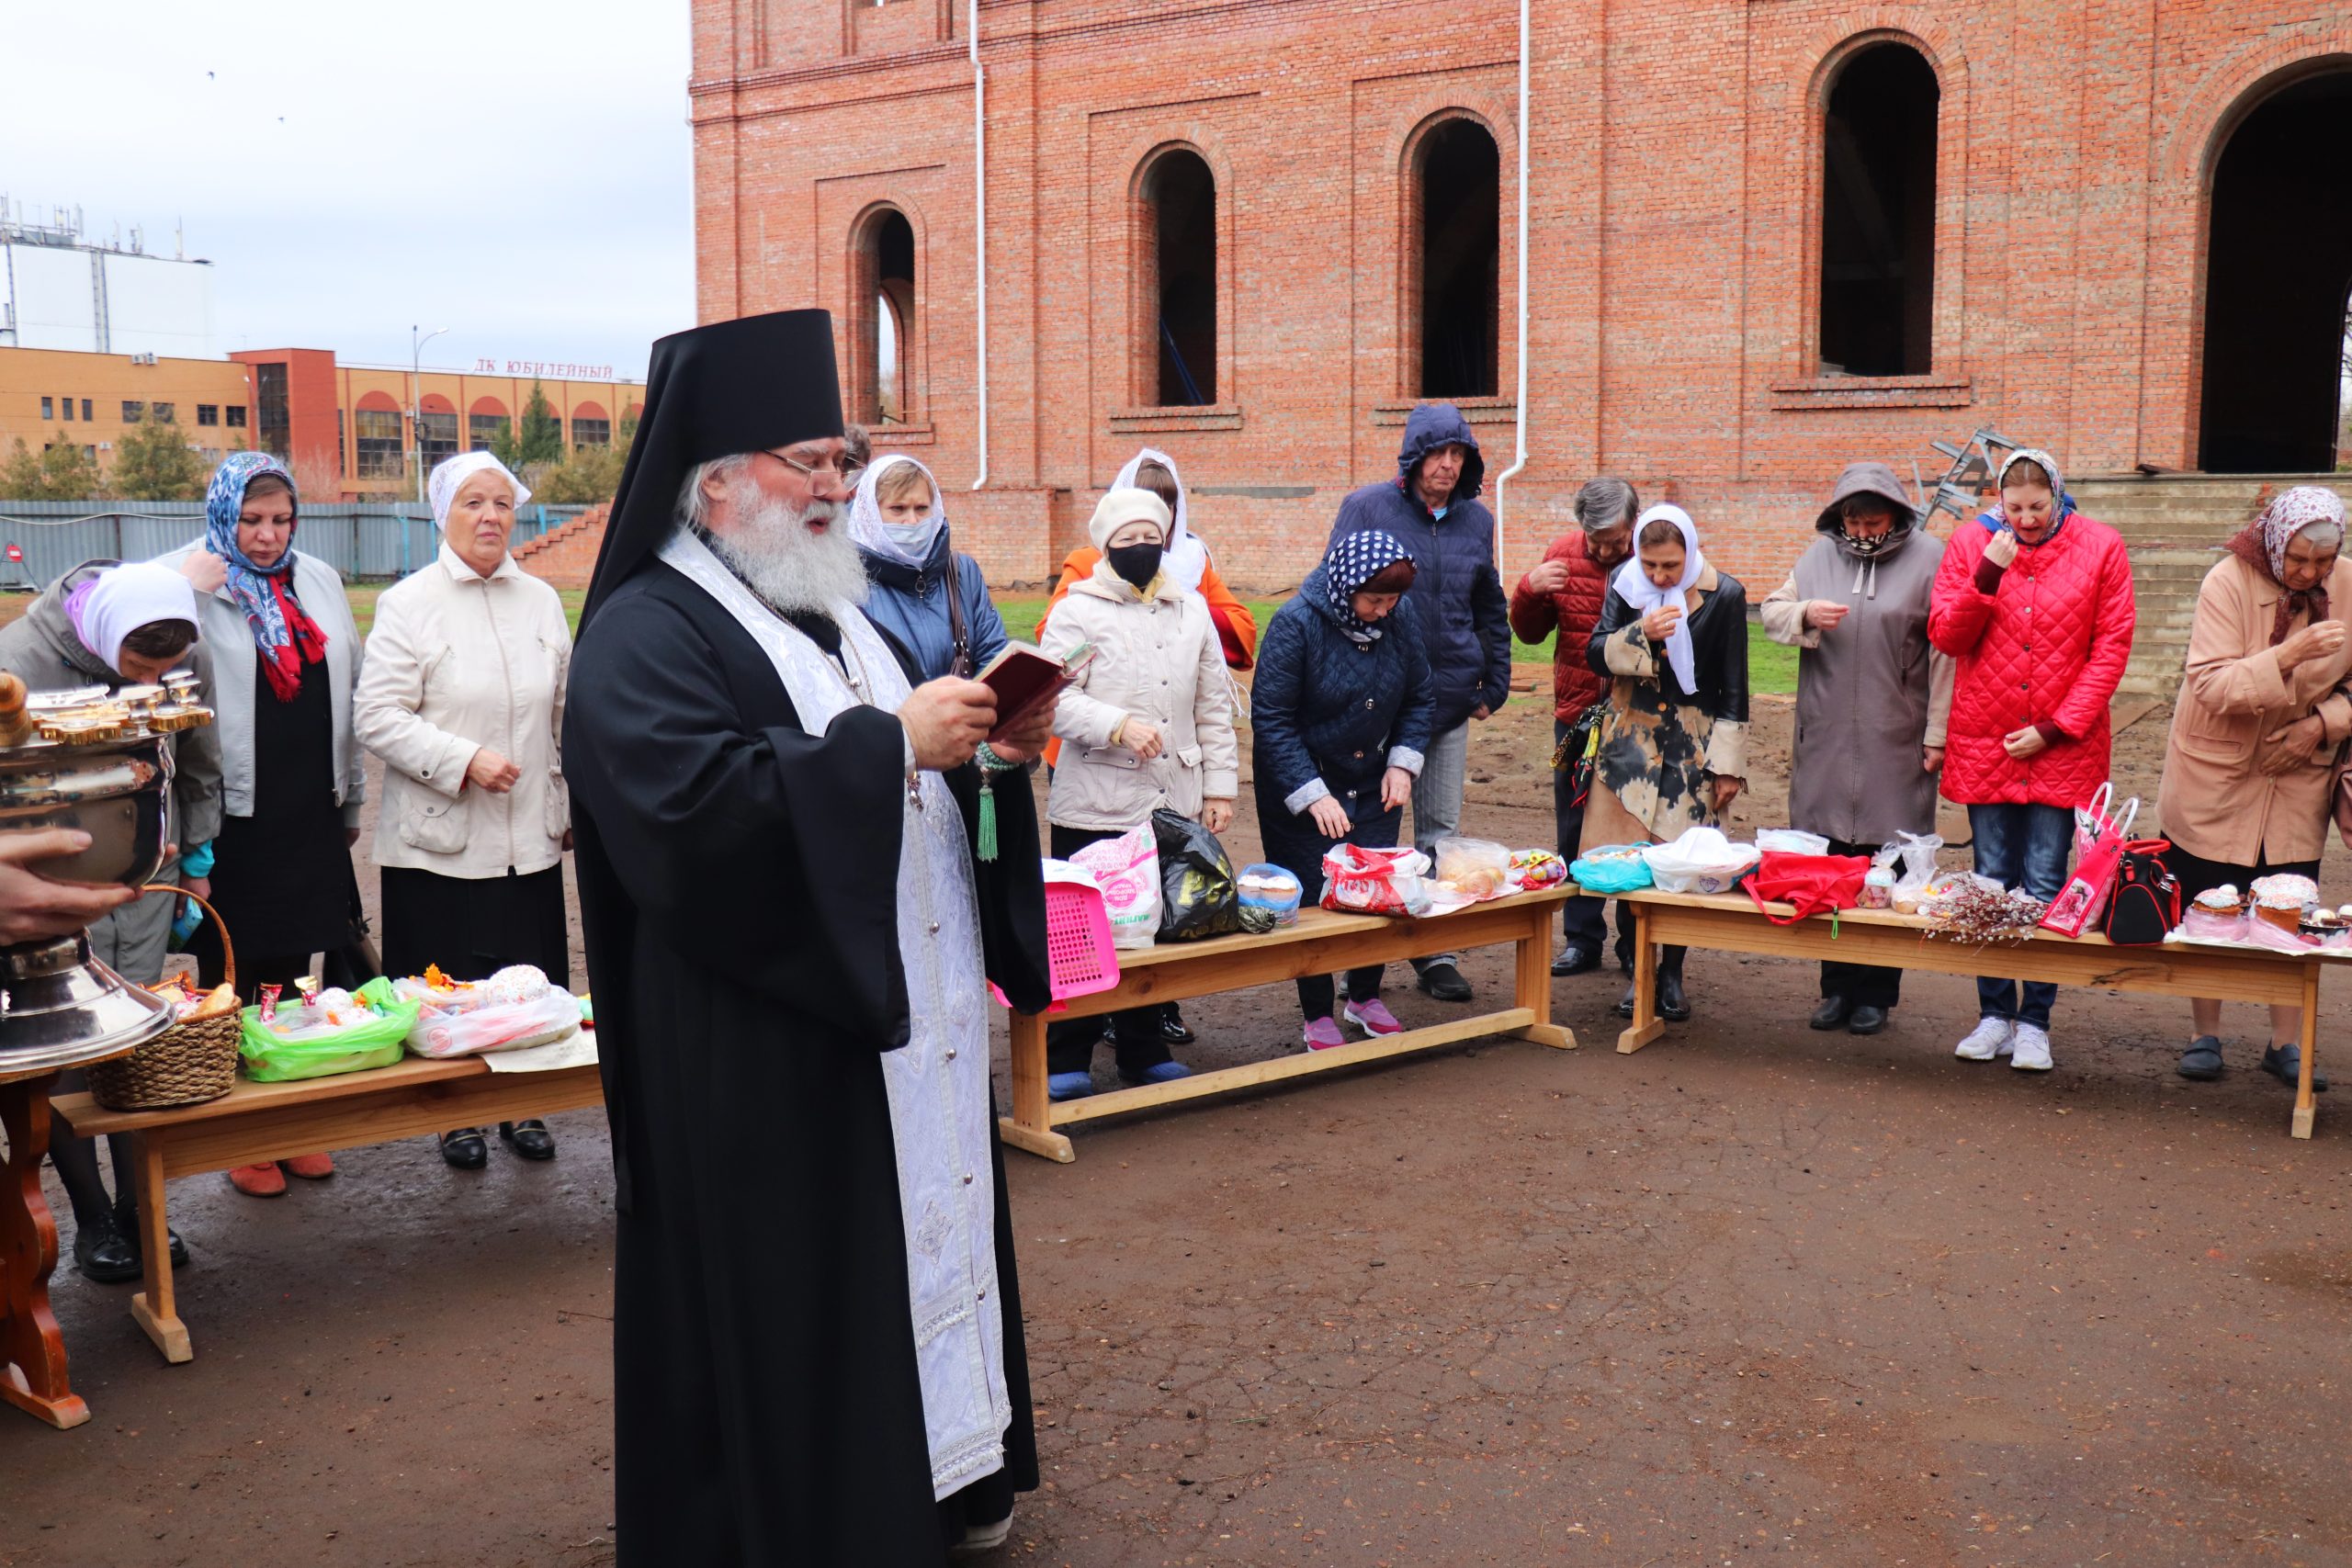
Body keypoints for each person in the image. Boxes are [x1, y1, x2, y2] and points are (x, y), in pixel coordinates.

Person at [563, 310, 1054, 1564]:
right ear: (719, 476)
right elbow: (689, 815)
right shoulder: (644, 628)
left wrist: (986, 762)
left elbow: (905, 775)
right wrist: (893, 745)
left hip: (903, 1032)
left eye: (844, 458)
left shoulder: (840, 613)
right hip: (771, 1040)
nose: (837, 484)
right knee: (810, 1288)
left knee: (916, 1255)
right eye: (811, 462)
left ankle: (941, 1478)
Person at [0, 560, 219, 1280]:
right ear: (100, 642)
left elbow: (197, 754)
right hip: (41, 891)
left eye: (169, 667)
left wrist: (197, 854)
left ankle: (140, 1207)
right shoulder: (19, 664)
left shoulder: (186, 648)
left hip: (145, 871)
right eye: (138, 667)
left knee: (140, 1033)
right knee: (65, 1045)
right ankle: (93, 1214)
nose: (155, 682)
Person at [355, 452, 572, 1169]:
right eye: (473, 503)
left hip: (526, 838)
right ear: (442, 514)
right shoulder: (409, 603)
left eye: (502, 504)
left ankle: (522, 1102)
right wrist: (462, 758)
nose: (489, 517)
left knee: (526, 982)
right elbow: (376, 716)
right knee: (450, 993)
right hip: (440, 842)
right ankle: (455, 1117)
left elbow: (563, 714)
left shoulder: (540, 600)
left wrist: (566, 800)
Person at [163, 452, 367, 1197]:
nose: (265, 536)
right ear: (224, 513)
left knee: (297, 970)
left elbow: (347, 691)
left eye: (280, 520)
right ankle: (242, 1135)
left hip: (308, 806)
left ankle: (291, 1122)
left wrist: (350, 799)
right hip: (235, 814)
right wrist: (181, 593)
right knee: (234, 969)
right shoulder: (188, 579)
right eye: (251, 519)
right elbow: (149, 674)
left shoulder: (319, 580)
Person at [1036, 447, 1255, 1050]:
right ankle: (1068, 1057)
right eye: (1128, 535)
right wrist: (1116, 724)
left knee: (1153, 924)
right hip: (1096, 803)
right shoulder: (1077, 610)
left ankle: (1143, 1049)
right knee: (1085, 932)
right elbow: (1049, 698)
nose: (1141, 544)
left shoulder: (1191, 611)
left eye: (1151, 534)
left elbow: (1215, 704)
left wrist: (1218, 788)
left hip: (1170, 799)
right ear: (1106, 543)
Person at [1928, 447, 2134, 1072]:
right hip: (1985, 738)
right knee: (1992, 881)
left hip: (2062, 745)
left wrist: (2055, 727)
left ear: (2057, 496)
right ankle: (1993, 1014)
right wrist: (1987, 576)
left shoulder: (2101, 546)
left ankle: (2035, 1021)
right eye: (2013, 508)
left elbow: (2112, 645)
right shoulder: (1972, 543)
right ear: (1998, 501)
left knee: (2046, 883)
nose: (2025, 519)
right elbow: (1946, 635)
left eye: (2037, 507)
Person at [2158, 486, 2350, 1089]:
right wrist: (2289, 655)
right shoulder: (2228, 580)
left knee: (2286, 907)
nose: (2310, 573)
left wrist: (2323, 724)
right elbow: (2211, 684)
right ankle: (2204, 1033)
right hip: (2217, 768)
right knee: (2210, 901)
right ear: (2275, 540)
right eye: (2299, 559)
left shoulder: (2349, 583)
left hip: (2298, 772)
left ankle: (2285, 1043)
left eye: (2323, 560)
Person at [1759, 462, 1952, 1037]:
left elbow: (1945, 655)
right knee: (1831, 867)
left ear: (1896, 513)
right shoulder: (1817, 558)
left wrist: (1937, 733)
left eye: (1874, 519)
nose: (1864, 529)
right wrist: (1803, 614)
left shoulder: (1930, 559)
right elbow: (1770, 611)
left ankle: (1877, 994)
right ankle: (1835, 987)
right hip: (1826, 739)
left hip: (1897, 739)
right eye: (1854, 519)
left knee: (1886, 868)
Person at [1328, 403, 1510, 1003]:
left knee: (1441, 832)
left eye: (1459, 455)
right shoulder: (1366, 507)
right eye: (1439, 453)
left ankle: (1436, 951)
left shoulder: (1476, 521)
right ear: (1413, 457)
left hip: (1451, 699)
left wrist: (1493, 683)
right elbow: (1336, 592)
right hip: (1377, 701)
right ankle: (1357, 948)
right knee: (1368, 829)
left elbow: (1489, 603)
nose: (1449, 465)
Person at [1251, 531, 1433, 1047]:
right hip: (1304, 786)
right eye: (1374, 599)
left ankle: (1364, 995)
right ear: (1345, 586)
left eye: (1392, 600)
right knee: (1314, 896)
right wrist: (1313, 794)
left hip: (1374, 783)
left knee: (1376, 890)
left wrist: (1402, 765)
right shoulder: (1296, 623)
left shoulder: (1400, 618)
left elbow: (1421, 697)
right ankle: (1316, 1012)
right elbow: (1272, 718)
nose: (1383, 610)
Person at [1584, 504, 1749, 1023]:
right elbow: (1592, 651)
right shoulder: (1622, 582)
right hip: (1629, 746)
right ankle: (1636, 970)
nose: (1658, 576)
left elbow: (1735, 684)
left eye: (1670, 567)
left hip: (1691, 748)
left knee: (1681, 866)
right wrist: (1641, 636)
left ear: (1690, 554)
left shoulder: (1726, 594)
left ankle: (1671, 973)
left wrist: (1727, 765)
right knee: (1627, 865)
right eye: (1650, 564)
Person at [1510, 477, 1638, 976]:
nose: (1606, 550)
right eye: (1596, 540)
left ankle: (1633, 940)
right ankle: (1582, 940)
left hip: (1636, 722)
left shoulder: (1651, 555)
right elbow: (1530, 632)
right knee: (1573, 824)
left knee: (1632, 830)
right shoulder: (1561, 553)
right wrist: (1529, 590)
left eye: (1616, 539)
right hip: (1574, 718)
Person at [846, 453, 1009, 682]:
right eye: (898, 509)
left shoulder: (961, 571)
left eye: (922, 508)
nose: (912, 521)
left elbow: (993, 654)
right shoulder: (846, 578)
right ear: (870, 514)